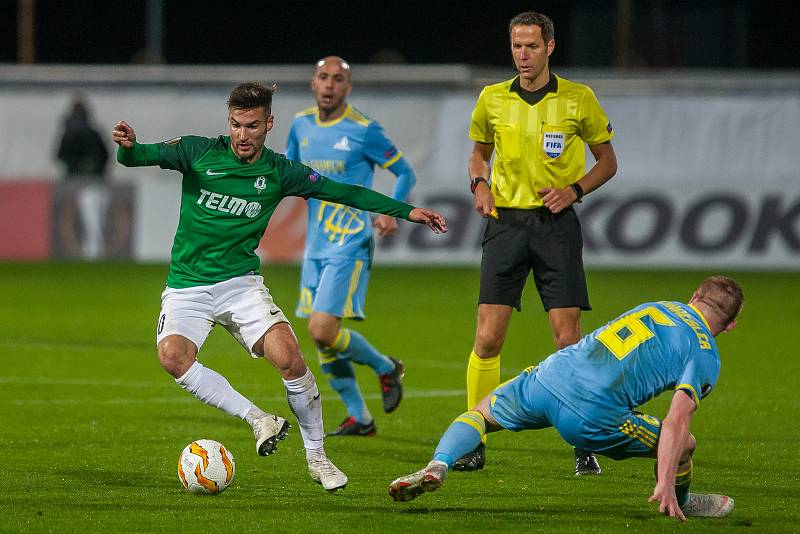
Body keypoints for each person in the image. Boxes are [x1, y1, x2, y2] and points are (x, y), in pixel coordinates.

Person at [112, 82, 447, 492]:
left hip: (240, 286)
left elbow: (343, 191)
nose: (242, 135)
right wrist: (127, 146)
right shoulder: (197, 151)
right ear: (228, 122)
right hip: (188, 287)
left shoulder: (279, 171)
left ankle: (318, 457)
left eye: (252, 126)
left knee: (291, 360)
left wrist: (406, 210)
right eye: (236, 125)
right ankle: (259, 419)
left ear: (268, 124)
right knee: (172, 357)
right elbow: (138, 156)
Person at [390, 276, 744, 521]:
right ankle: (681, 501)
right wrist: (664, 480)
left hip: (554, 374)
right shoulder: (704, 353)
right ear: (730, 326)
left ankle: (439, 463)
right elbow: (676, 420)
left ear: (694, 296)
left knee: (482, 413)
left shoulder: (660, 305)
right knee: (686, 444)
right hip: (592, 414)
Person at [458, 11, 618, 475]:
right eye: (515, 46)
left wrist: (576, 189)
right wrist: (478, 183)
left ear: (550, 46)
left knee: (567, 340)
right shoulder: (492, 99)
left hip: (556, 225)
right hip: (505, 224)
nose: (522, 55)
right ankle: (472, 439)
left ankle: (583, 439)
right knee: (487, 338)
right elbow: (478, 152)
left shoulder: (578, 98)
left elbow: (607, 161)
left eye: (531, 46)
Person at [285, 57, 415, 437]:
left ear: (348, 88)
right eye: (323, 78)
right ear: (313, 83)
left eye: (337, 80)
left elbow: (405, 171)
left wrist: (392, 213)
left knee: (323, 330)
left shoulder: (364, 130)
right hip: (316, 246)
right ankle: (361, 418)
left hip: (350, 241)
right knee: (322, 341)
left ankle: (385, 367)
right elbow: (288, 174)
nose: (329, 85)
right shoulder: (300, 124)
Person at [57, 96, 109, 179]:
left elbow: (104, 156)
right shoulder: (92, 134)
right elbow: (60, 155)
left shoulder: (92, 135)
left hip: (88, 177)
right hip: (78, 176)